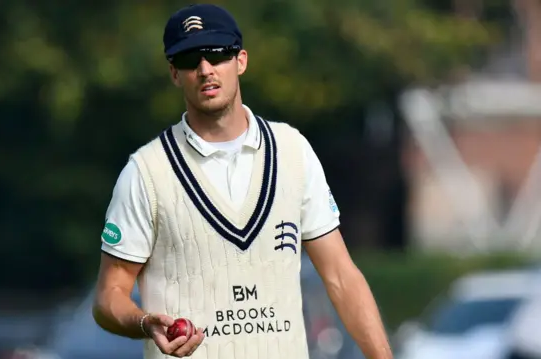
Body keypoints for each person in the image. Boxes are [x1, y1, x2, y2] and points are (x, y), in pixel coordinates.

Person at [92, 3, 393, 359]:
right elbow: (108, 295)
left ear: (241, 61)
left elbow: (341, 277)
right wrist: (144, 323)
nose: (205, 70)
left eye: (217, 54)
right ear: (174, 74)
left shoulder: (292, 151)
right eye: (190, 60)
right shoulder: (146, 172)